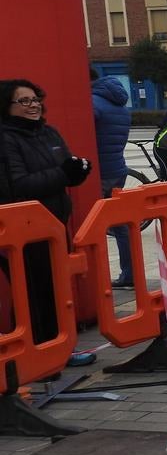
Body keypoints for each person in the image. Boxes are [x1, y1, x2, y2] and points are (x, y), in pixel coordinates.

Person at [0, 79, 96, 367]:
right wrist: (64, 173)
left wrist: (78, 171)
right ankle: (34, 358)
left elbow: (64, 169)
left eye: (35, 99)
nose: (33, 106)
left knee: (55, 290)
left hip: (54, 226)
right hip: (22, 230)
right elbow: (16, 186)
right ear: (8, 106)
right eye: (24, 101)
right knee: (30, 291)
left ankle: (58, 350)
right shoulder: (6, 138)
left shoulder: (48, 132)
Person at [90, 70, 135, 289]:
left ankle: (93, 278)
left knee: (89, 226)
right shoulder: (121, 106)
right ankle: (130, 273)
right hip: (118, 169)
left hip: (97, 173)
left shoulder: (92, 102)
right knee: (119, 226)